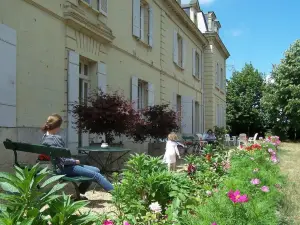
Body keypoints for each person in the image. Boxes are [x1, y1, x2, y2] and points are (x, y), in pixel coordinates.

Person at [41, 113, 113, 197]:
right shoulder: (56, 139)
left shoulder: (45, 138)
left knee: (96, 169)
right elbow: (64, 161)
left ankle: (79, 193)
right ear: (57, 127)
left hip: (59, 167)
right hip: (64, 168)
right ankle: (117, 194)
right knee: (96, 175)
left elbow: (60, 159)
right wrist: (75, 161)